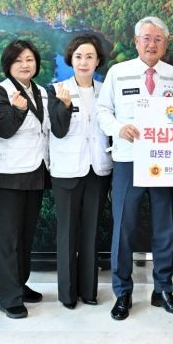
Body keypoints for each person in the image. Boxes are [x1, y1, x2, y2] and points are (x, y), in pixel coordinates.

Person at [97, 16, 173, 320]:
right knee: (124, 227)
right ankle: (122, 293)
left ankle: (163, 290)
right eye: (146, 38)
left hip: (163, 160)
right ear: (136, 42)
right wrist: (118, 128)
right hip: (128, 159)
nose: (152, 44)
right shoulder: (118, 72)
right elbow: (102, 110)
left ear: (165, 43)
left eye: (158, 39)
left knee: (164, 228)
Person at [47, 34, 112, 309]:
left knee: (91, 231)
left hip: (98, 168)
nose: (83, 62)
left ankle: (89, 290)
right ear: (70, 60)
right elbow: (58, 131)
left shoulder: (106, 90)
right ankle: (67, 294)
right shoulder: (56, 90)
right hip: (67, 171)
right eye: (78, 57)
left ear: (98, 61)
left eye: (89, 56)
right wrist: (64, 106)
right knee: (67, 233)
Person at [0, 39, 50, 319]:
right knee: (8, 237)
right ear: (8, 65)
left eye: (29, 59)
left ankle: (19, 284)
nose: (25, 65)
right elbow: (5, 129)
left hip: (35, 170)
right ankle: (8, 296)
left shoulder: (40, 90)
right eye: (18, 60)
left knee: (25, 234)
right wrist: (19, 109)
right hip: (7, 175)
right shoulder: (0, 91)